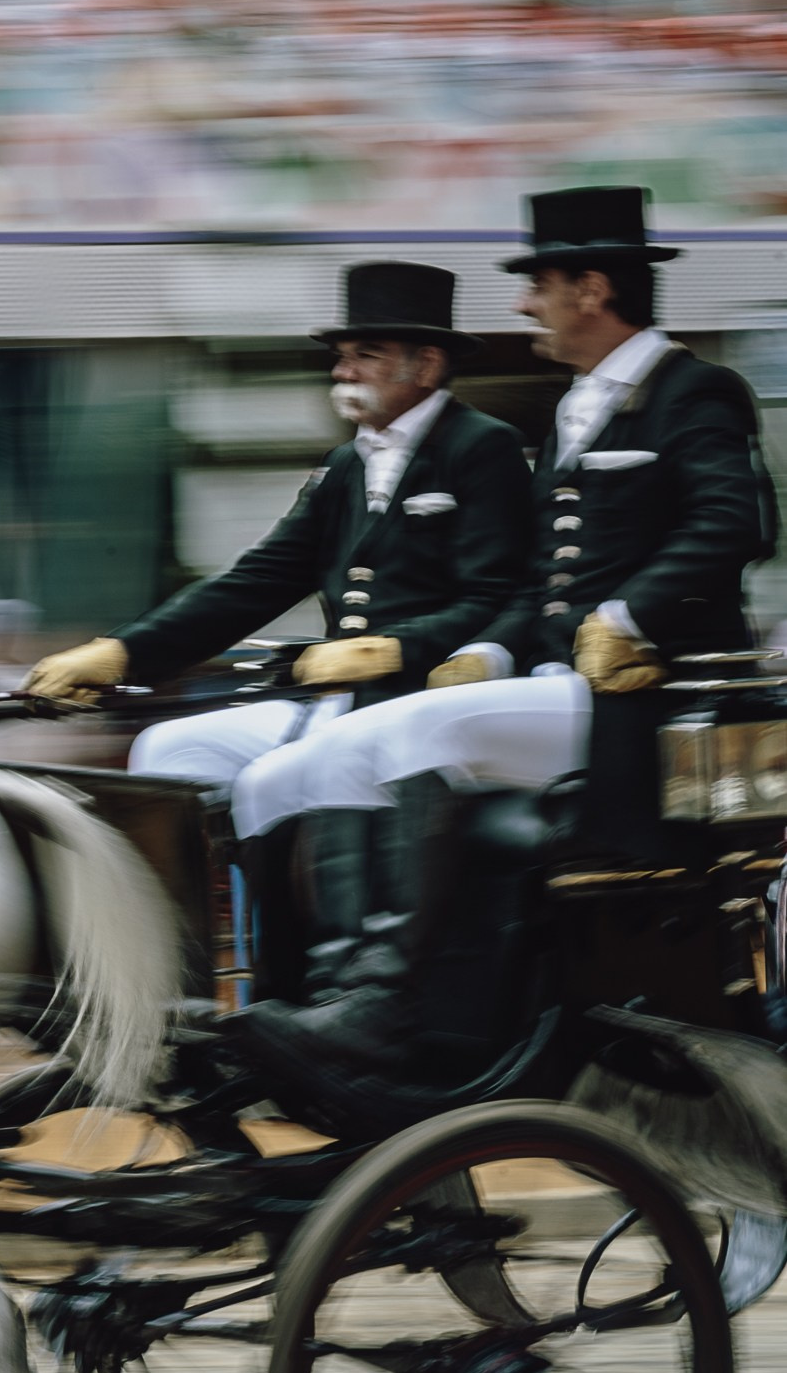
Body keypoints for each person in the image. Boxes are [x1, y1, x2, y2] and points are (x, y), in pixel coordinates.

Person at [240, 186, 778, 1066]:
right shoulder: (578, 404)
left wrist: (628, 615)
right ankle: (317, 991)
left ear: (592, 291)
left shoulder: (694, 390)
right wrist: (485, 649)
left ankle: (388, 1007)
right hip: (559, 685)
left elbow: (735, 524)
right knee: (339, 749)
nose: (526, 303)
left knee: (410, 728)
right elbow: (543, 578)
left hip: (650, 703)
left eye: (540, 284)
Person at [22, 260, 531, 980]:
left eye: (365, 355)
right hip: (340, 698)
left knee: (283, 777)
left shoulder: (482, 448)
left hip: (426, 700)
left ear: (427, 363)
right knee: (171, 751)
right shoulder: (344, 466)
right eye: (341, 355)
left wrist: (394, 649)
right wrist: (119, 654)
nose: (344, 369)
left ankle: (314, 982)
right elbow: (255, 581)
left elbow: (501, 594)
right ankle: (179, 983)